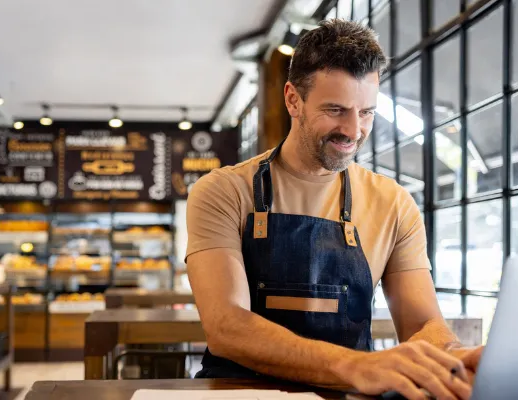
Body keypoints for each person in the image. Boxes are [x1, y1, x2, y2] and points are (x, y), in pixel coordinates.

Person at [185, 19, 482, 400]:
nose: (354, 130)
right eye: (336, 109)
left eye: (367, 112)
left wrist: (456, 359)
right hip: (239, 391)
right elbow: (227, 327)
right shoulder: (224, 191)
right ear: (293, 99)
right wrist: (355, 366)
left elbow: (423, 324)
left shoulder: (392, 202)